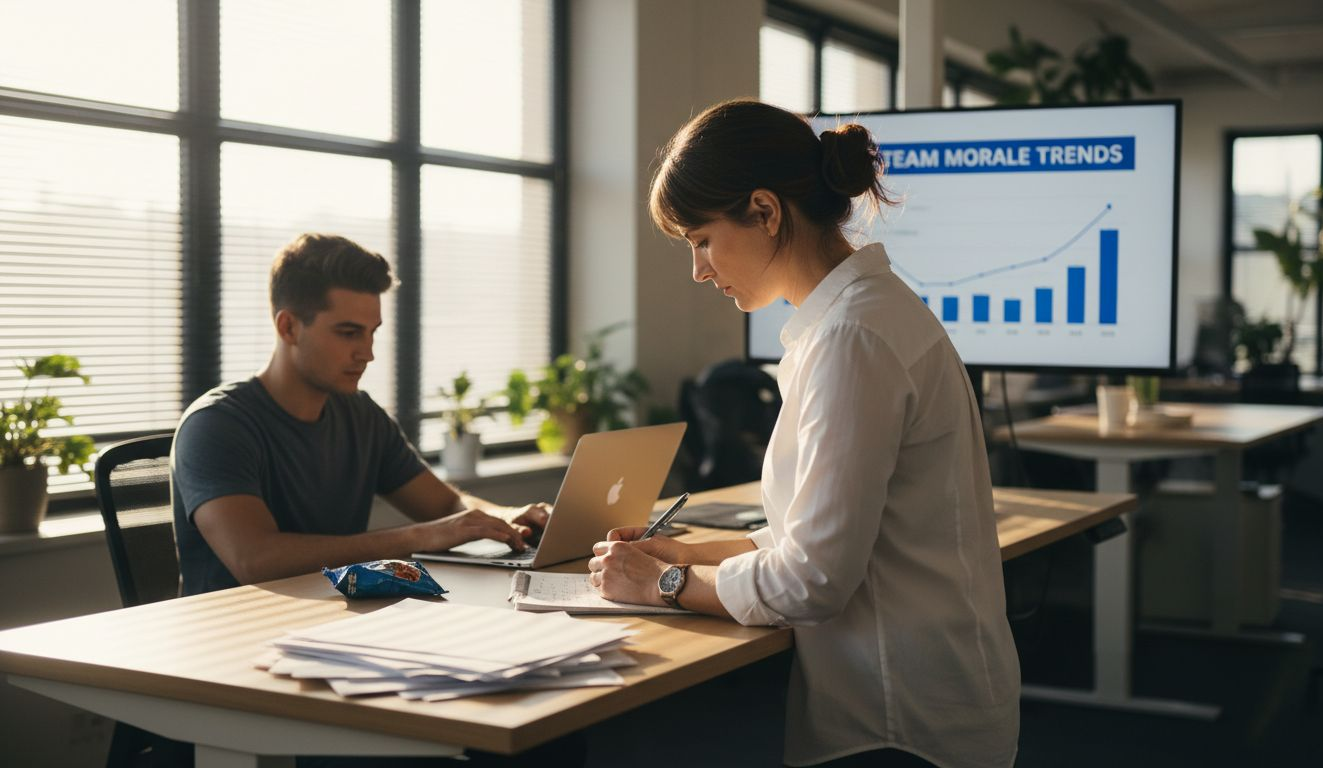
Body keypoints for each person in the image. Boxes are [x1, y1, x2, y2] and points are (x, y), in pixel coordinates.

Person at [587, 100, 1021, 768]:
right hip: (911, 701)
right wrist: (684, 554)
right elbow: (817, 538)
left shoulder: (852, 338)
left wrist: (661, 583)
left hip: (898, 724)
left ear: (765, 211)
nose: (699, 270)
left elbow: (813, 579)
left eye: (701, 240)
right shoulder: (857, 319)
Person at [171, 233, 550, 596]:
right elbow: (256, 560)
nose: (367, 353)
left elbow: (447, 507)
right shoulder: (215, 426)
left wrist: (505, 517)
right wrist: (423, 535)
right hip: (238, 627)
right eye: (349, 333)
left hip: (335, 620)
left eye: (372, 333)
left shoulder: (361, 415)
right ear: (288, 327)